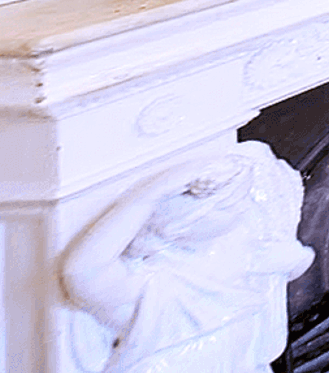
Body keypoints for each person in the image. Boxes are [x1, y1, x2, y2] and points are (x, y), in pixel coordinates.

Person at [61, 143, 312, 373]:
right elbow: (82, 273)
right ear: (181, 225)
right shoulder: (160, 292)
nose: (245, 210)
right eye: (228, 206)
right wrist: (152, 193)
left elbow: (294, 261)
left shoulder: (239, 261)